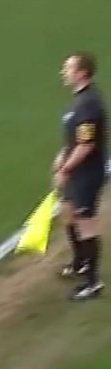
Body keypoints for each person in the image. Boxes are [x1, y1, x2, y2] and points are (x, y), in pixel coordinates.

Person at [54, 52, 107, 300]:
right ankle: (80, 262)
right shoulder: (80, 100)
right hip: (77, 169)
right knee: (68, 213)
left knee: (86, 224)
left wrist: (66, 168)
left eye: (68, 68)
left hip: (87, 173)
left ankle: (93, 283)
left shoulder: (88, 104)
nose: (64, 72)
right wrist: (61, 156)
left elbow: (86, 145)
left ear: (82, 73)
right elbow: (74, 139)